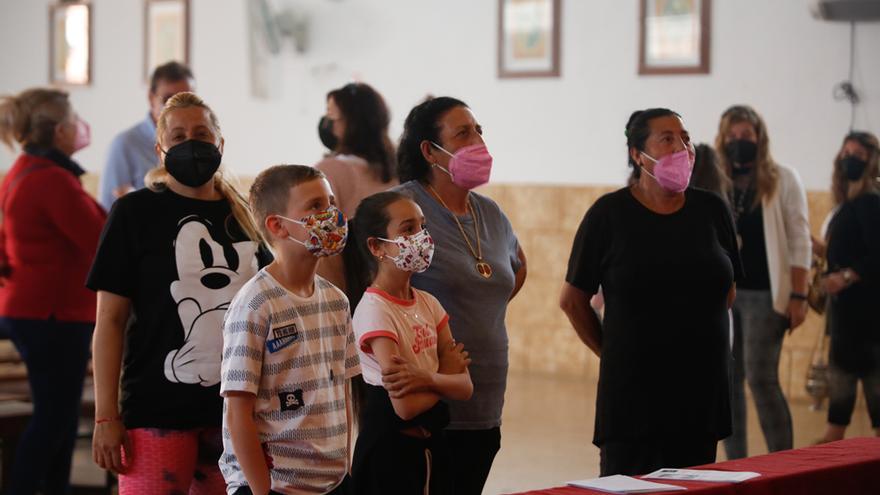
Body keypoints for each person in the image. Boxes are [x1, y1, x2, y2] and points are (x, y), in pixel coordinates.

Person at [88, 92, 270, 494]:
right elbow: (110, 320)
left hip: (237, 412)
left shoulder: (246, 215)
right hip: (156, 410)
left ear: (220, 144)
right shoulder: (134, 214)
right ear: (160, 149)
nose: (192, 143)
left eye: (202, 134)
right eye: (179, 135)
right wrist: (106, 415)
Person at [560, 108, 741, 476]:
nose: (682, 147)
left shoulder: (712, 210)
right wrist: (611, 351)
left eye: (685, 138)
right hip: (632, 398)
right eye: (667, 138)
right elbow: (573, 299)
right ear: (638, 154)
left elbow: (728, 290)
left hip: (700, 394)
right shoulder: (608, 215)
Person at [393, 96, 527, 494]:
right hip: (425, 403)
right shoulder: (403, 207)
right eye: (463, 133)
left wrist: (478, 307)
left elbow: (516, 268)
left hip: (485, 400)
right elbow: (372, 287)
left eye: (479, 131)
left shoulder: (491, 213)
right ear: (430, 150)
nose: (478, 141)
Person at [220, 164, 358, 495]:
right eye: (315, 207)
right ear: (278, 226)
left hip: (332, 483)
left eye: (331, 203)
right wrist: (260, 490)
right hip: (274, 485)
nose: (331, 215)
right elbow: (238, 412)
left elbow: (343, 391)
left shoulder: (336, 301)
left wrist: (345, 467)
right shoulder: (255, 304)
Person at [0, 87, 106, 494]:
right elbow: (99, 237)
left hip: (38, 310)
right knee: (54, 418)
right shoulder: (51, 180)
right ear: (60, 130)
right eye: (75, 118)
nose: (81, 126)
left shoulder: (26, 168)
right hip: (51, 313)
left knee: (58, 420)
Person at [346, 191, 473, 495]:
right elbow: (405, 407)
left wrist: (427, 378)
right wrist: (445, 375)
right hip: (390, 456)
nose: (421, 237)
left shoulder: (429, 303)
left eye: (422, 227)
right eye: (407, 229)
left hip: (431, 449)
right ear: (377, 247)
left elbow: (466, 387)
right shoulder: (376, 311)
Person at [715, 105, 811, 459]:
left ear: (760, 138)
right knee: (727, 382)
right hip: (724, 296)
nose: (740, 142)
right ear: (724, 139)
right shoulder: (717, 180)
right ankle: (734, 464)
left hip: (766, 295)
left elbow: (800, 239)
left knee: (760, 378)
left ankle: (782, 460)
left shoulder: (783, 179)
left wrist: (799, 295)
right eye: (734, 136)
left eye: (747, 136)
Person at [815, 131, 880, 443]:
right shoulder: (847, 204)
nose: (849, 159)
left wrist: (847, 277)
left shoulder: (870, 202)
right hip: (845, 318)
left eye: (858, 154)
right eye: (846, 153)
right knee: (838, 410)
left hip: (868, 318)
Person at [315, 82, 398, 291]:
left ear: (351, 122)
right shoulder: (398, 167)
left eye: (332, 117)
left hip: (353, 288)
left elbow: (326, 249)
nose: (328, 124)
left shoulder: (331, 170)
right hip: (398, 286)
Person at [98, 61, 194, 210]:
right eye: (168, 100)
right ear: (151, 98)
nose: (178, 109)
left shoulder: (197, 144)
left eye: (186, 100)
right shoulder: (124, 145)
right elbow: (109, 211)